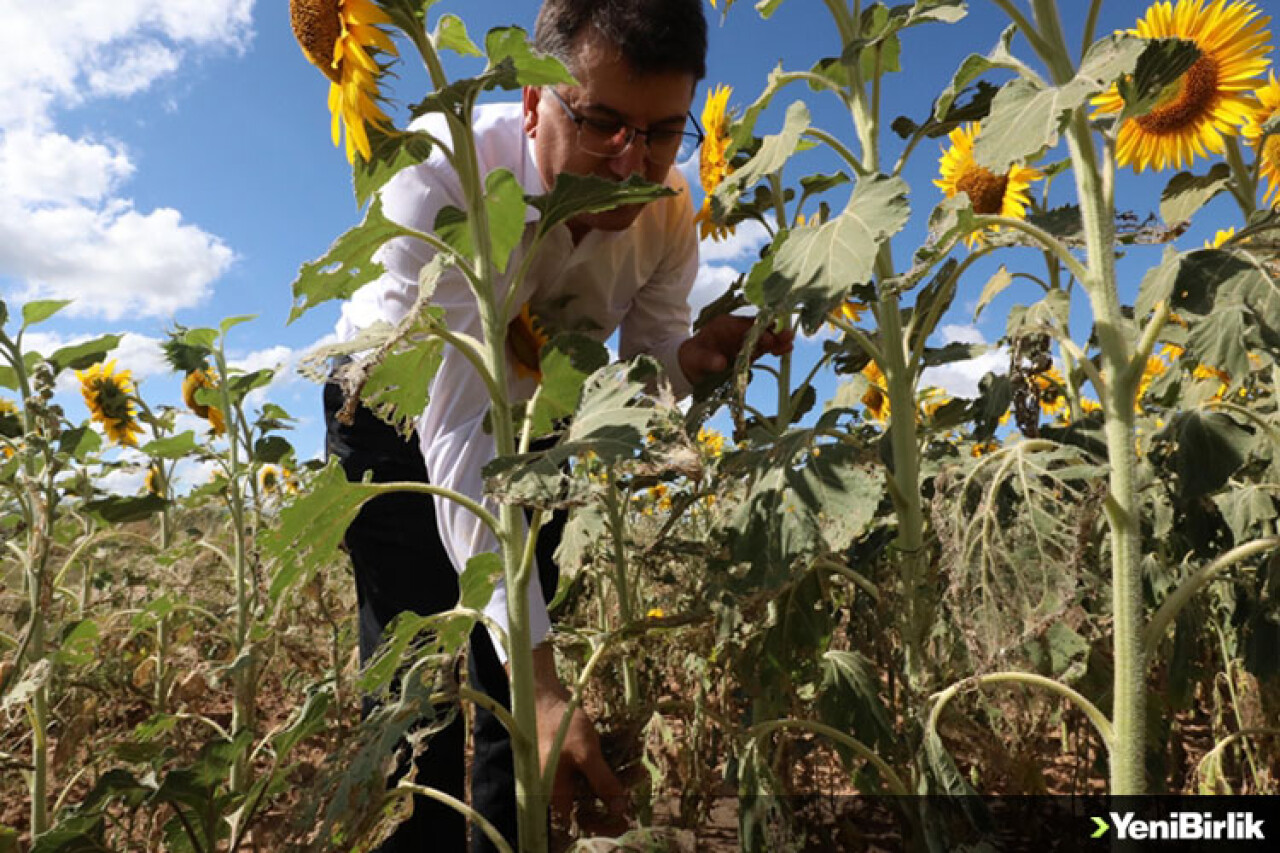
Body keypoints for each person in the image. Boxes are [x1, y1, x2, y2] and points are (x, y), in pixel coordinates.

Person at [324, 1, 793, 850]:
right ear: (536, 102)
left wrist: (694, 359)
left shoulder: (670, 205)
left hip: (544, 407)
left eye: (662, 132)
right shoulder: (443, 171)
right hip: (395, 402)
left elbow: (642, 370)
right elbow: (460, 428)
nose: (632, 159)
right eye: (603, 121)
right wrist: (542, 685)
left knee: (522, 667)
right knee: (422, 669)